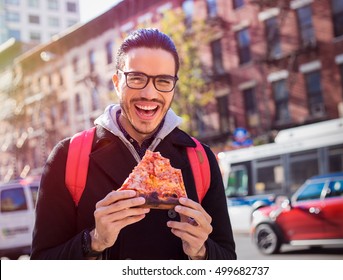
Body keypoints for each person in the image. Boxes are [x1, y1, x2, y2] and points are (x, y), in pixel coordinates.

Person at [31, 28, 236, 260]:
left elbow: (228, 259)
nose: (149, 93)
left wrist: (202, 252)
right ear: (117, 82)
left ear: (174, 87)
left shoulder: (200, 158)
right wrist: (94, 241)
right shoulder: (68, 157)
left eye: (163, 81)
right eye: (136, 78)